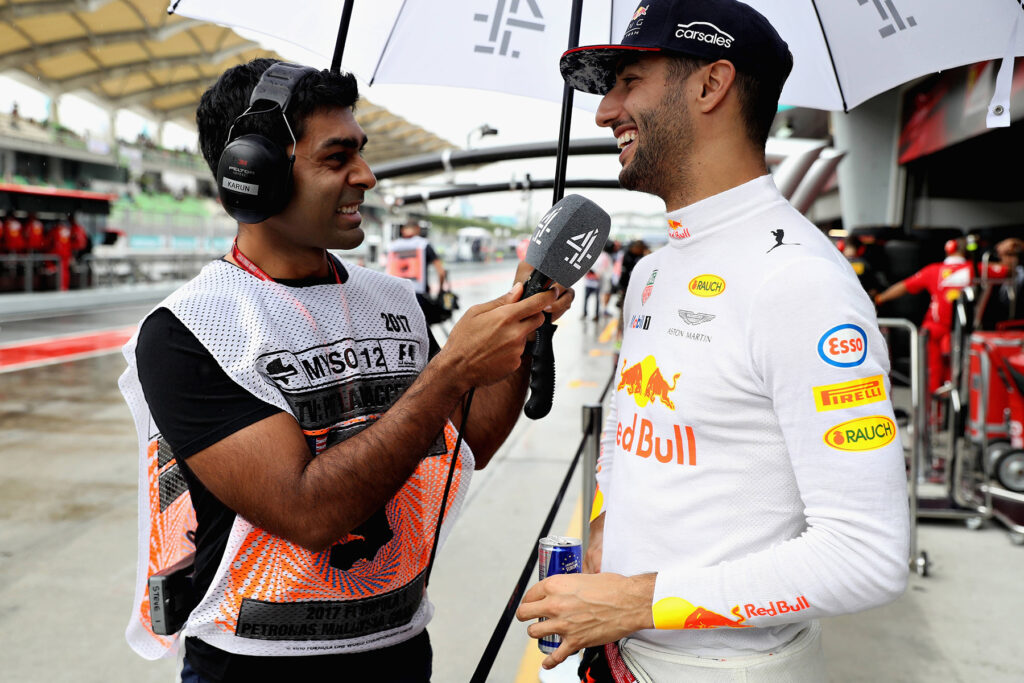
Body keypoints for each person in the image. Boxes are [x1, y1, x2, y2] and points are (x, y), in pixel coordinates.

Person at [119, 58, 572, 683]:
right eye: (337, 158)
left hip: (401, 649)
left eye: (361, 151)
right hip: (255, 669)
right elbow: (308, 513)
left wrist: (524, 314)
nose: (367, 175)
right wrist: (449, 372)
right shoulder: (188, 331)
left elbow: (470, 442)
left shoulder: (395, 301)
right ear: (253, 172)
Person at [517, 2, 909, 681]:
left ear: (711, 84)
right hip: (619, 652)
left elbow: (868, 555)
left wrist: (639, 600)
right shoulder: (652, 272)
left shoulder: (800, 281)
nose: (605, 112)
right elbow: (632, 424)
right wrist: (609, 528)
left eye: (628, 82)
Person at [874, 238, 973, 400]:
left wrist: (879, 298)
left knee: (932, 377)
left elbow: (905, 286)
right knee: (958, 377)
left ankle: (934, 409)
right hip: (961, 332)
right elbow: (1007, 271)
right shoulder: (975, 269)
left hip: (934, 329)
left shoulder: (934, 270)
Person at [385, 220, 449, 324]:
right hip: (418, 297)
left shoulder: (391, 246)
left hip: (394, 297)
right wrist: (440, 292)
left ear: (402, 230)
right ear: (418, 229)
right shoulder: (424, 245)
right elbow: (441, 272)